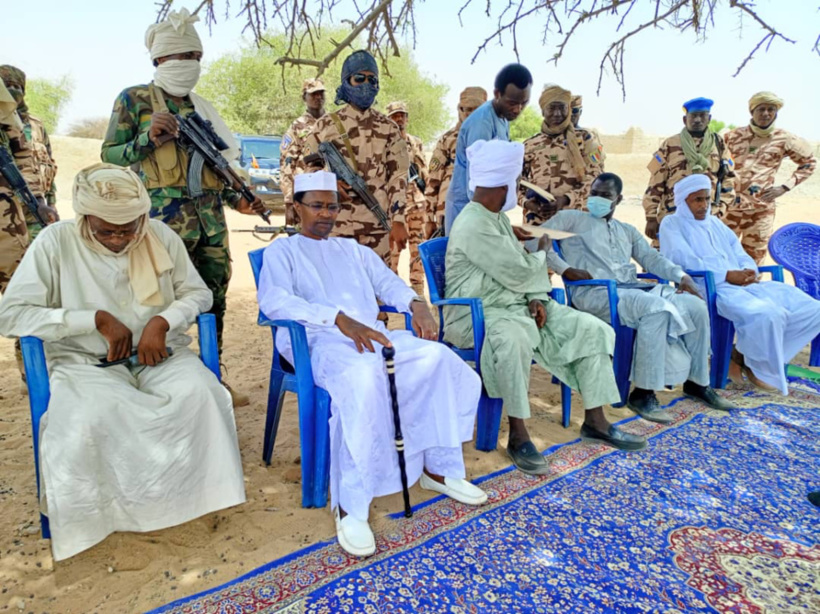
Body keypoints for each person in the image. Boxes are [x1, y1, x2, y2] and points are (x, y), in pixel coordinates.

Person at [0, 163, 246, 561]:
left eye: (129, 229)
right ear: (84, 219)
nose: (119, 239)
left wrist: (163, 321)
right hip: (84, 360)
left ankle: (190, 501)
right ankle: (103, 518)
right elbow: (10, 314)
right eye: (106, 230)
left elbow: (198, 294)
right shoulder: (55, 241)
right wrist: (92, 320)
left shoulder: (159, 234)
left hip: (160, 355)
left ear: (143, 217)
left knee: (201, 395)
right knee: (91, 415)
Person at [257, 171, 487, 557]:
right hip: (319, 342)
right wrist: (338, 319)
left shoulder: (353, 250)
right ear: (296, 207)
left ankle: (438, 468)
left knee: (438, 359)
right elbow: (275, 302)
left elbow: (389, 284)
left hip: (371, 337)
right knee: (364, 379)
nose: (326, 214)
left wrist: (416, 305)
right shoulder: (283, 252)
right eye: (316, 205)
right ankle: (352, 503)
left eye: (332, 206)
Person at [445, 140, 647, 475]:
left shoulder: (495, 218)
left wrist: (536, 297)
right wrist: (542, 246)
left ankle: (596, 420)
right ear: (504, 184)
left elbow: (518, 273)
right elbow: (519, 269)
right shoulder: (475, 222)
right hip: (477, 314)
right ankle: (519, 435)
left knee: (590, 328)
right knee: (515, 339)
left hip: (515, 303)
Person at [100, 8, 265, 406]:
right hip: (160, 225)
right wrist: (148, 139)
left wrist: (237, 197)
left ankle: (213, 377)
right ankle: (154, 382)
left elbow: (213, 170)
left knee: (212, 301)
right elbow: (110, 157)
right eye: (181, 57)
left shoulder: (201, 109)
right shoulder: (135, 99)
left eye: (195, 57)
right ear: (159, 61)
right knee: (155, 303)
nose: (189, 65)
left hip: (209, 224)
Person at [544, 172, 734, 420]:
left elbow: (651, 258)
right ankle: (643, 393)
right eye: (594, 194)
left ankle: (697, 382)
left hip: (632, 290)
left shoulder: (626, 230)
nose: (597, 200)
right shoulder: (571, 219)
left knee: (695, 306)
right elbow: (536, 242)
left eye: (605, 196)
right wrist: (565, 269)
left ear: (618, 199)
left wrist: (682, 277)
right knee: (656, 309)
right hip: (597, 293)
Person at [660, 174, 820, 395]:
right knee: (769, 315)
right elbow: (682, 261)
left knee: (812, 310)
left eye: (707, 199)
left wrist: (748, 271)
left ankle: (744, 356)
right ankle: (758, 366)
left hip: (745, 286)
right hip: (712, 289)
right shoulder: (672, 224)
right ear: (683, 201)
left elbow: (739, 252)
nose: (704, 205)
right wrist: (726, 275)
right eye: (697, 200)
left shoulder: (715, 223)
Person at [299, 50, 409, 266]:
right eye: (359, 78)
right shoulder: (325, 125)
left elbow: (399, 176)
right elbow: (308, 167)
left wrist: (398, 219)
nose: (366, 84)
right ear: (346, 80)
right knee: (337, 290)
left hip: (376, 228)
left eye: (372, 79)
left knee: (376, 294)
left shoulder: (389, 128)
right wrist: (327, 181)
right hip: (335, 225)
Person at [724, 92, 816, 263]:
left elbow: (809, 162)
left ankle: (754, 289)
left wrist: (784, 187)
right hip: (730, 208)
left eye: (771, 109)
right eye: (761, 109)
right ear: (752, 111)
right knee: (723, 254)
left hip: (760, 210)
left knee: (754, 259)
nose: (766, 114)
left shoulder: (784, 138)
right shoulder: (732, 137)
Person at [444, 63, 532, 234]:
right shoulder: (482, 123)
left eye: (524, 103)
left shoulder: (503, 118)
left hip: (484, 212)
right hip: (469, 211)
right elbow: (479, 185)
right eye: (512, 103)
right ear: (498, 94)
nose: (518, 109)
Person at [643, 97, 735, 247]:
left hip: (706, 217)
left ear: (709, 118)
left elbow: (728, 181)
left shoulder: (719, 144)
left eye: (702, 115)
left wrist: (719, 211)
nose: (698, 120)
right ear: (685, 119)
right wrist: (651, 217)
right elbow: (655, 182)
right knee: (663, 260)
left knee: (704, 260)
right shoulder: (670, 144)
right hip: (672, 215)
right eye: (693, 116)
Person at [519, 84, 604, 225]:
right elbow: (514, 181)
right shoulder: (529, 145)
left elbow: (595, 177)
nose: (557, 114)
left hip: (574, 219)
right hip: (537, 222)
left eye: (562, 108)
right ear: (543, 111)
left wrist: (566, 199)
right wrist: (528, 203)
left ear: (569, 110)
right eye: (552, 108)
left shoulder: (585, 139)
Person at [0, 65, 59, 237]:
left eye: (18, 87)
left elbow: (46, 164)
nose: (13, 91)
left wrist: (48, 201)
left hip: (31, 203)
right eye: (8, 86)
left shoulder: (33, 126)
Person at [425, 87, 487, 231]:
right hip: (450, 212)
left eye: (476, 109)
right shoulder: (448, 139)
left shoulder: (493, 139)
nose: (470, 114)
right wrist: (429, 219)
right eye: (466, 109)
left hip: (483, 212)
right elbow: (433, 181)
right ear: (459, 110)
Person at [386, 100, 431, 295]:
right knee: (392, 251)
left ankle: (418, 289)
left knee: (418, 248)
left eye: (402, 115)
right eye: (395, 116)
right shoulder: (383, 143)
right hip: (395, 207)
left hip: (417, 205)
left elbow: (424, 173)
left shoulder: (416, 142)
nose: (399, 119)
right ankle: (391, 290)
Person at [280, 78, 326, 225]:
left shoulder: (334, 123)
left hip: (330, 190)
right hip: (305, 192)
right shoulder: (297, 126)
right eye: (313, 94)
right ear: (304, 97)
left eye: (321, 93)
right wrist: (289, 201)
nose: (318, 97)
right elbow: (287, 163)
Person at [570, 94, 606, 167]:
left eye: (574, 110)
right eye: (567, 111)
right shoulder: (551, 137)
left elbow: (597, 165)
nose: (571, 114)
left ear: (580, 112)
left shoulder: (589, 136)